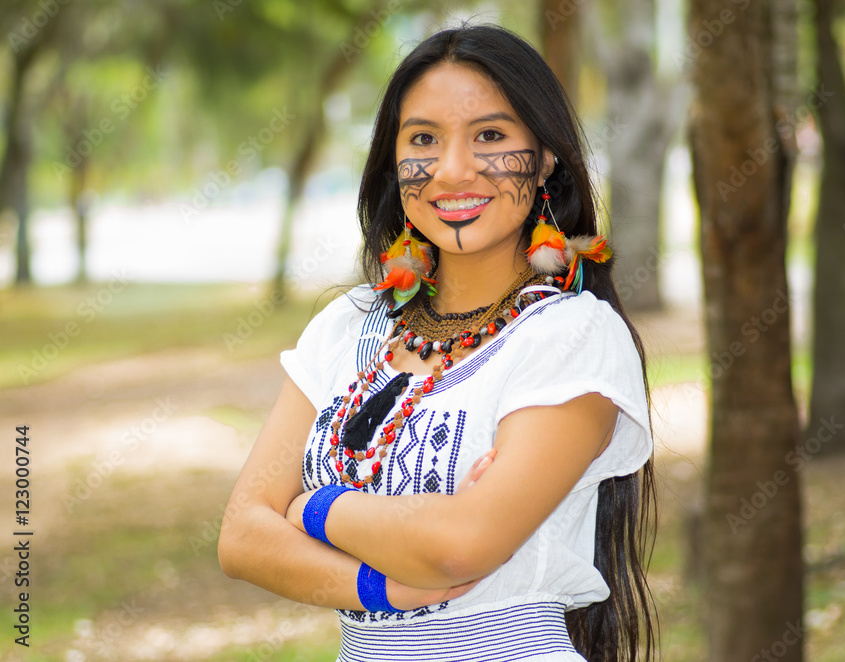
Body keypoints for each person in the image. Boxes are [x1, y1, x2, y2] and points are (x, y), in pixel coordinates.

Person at [218, 24, 658, 662]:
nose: (453, 171)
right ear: (394, 162)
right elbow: (241, 537)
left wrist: (311, 506)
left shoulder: (572, 335)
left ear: (545, 158)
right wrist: (385, 585)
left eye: (490, 136)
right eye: (424, 138)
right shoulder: (348, 327)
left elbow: (462, 545)